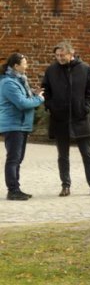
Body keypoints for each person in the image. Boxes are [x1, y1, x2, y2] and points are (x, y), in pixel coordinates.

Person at [42, 40, 90, 197]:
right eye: (57, 55)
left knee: (87, 154)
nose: (59, 58)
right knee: (63, 156)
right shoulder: (51, 70)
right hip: (59, 118)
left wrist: (86, 107)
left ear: (71, 53)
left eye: (62, 55)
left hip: (80, 117)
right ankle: (65, 185)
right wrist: (51, 106)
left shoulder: (84, 69)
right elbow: (45, 90)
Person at [1, 53, 44, 200]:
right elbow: (22, 103)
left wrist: (33, 93)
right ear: (16, 66)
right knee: (13, 159)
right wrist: (39, 99)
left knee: (17, 158)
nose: (27, 65)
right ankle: (12, 190)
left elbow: (25, 97)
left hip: (21, 125)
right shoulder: (8, 83)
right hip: (13, 126)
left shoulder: (19, 80)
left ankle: (16, 188)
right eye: (25, 63)